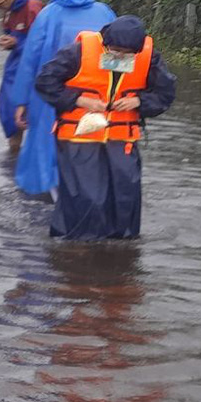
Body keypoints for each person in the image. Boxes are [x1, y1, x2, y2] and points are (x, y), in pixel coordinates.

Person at [34, 16, 177, 239]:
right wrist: (79, 99)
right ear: (104, 43)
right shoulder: (76, 53)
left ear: (137, 50)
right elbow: (45, 81)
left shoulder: (149, 59)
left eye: (127, 53)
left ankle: (121, 246)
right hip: (79, 136)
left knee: (125, 193)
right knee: (87, 195)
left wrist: (139, 101)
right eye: (114, 50)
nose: (119, 56)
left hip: (122, 137)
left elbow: (165, 94)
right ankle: (78, 244)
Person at [6, 0, 116, 198]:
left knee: (47, 143)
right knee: (94, 145)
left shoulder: (48, 15)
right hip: (97, 97)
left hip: (52, 97)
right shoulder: (105, 13)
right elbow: (119, 55)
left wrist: (21, 102)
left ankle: (48, 195)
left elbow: (30, 61)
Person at [0, 0, 42, 147]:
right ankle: (14, 145)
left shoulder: (32, 7)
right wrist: (8, 41)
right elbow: (11, 31)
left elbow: (40, 41)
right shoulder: (9, 11)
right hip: (16, 61)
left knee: (28, 104)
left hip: (33, 63)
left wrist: (17, 43)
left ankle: (23, 147)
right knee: (7, 103)